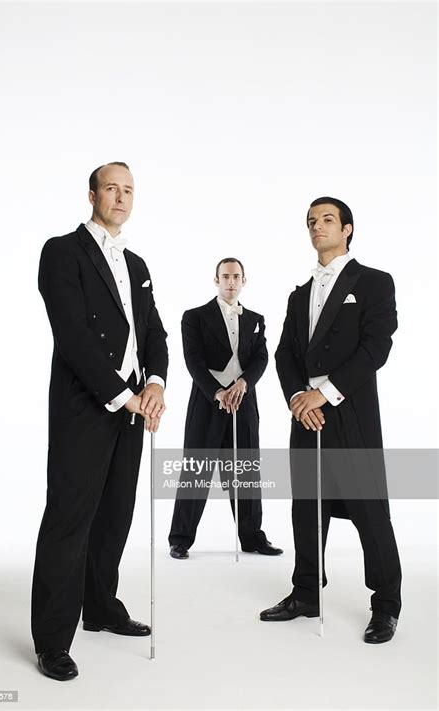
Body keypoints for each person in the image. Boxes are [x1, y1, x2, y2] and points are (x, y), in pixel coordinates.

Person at [32, 162, 168, 680]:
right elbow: (72, 335)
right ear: (91, 194)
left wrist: (154, 382)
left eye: (128, 189)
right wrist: (122, 394)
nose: (121, 196)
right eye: (111, 187)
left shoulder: (136, 263)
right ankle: (51, 640)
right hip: (85, 406)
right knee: (70, 521)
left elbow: (153, 329)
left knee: (115, 513)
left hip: (134, 408)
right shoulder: (61, 251)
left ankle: (101, 606)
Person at [260, 197, 401, 644]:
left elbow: (376, 347)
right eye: (310, 222)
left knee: (369, 510)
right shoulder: (299, 294)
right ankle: (306, 593)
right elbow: (284, 354)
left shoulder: (375, 282)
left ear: (348, 229)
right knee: (306, 506)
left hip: (351, 412)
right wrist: (299, 396)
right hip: (306, 414)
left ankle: (386, 605)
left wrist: (326, 392)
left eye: (326, 220)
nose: (317, 227)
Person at [168, 258, 282, 559]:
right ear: (216, 280)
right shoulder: (194, 317)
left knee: (245, 470)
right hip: (207, 401)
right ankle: (180, 538)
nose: (231, 281)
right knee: (196, 469)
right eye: (225, 276)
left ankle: (252, 537)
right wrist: (217, 391)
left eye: (236, 276)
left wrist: (243, 384)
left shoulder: (256, 318)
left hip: (243, 402)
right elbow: (192, 359)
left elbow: (261, 358)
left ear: (244, 280)